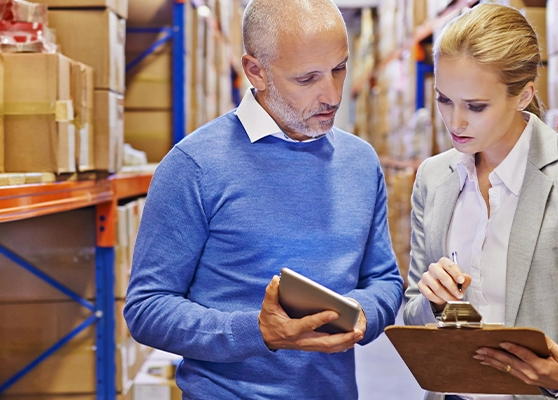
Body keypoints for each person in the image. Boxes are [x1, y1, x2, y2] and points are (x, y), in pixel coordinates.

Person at [123, 0, 405, 398]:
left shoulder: (360, 162)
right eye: (307, 79)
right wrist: (257, 331)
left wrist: (362, 315)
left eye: (339, 69)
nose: (332, 95)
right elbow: (147, 309)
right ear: (256, 71)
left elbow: (384, 280)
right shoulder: (195, 165)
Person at [403, 4, 558, 400]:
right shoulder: (434, 178)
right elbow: (414, 310)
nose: (455, 121)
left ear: (524, 95)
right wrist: (430, 302)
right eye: (444, 100)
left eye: (476, 106)